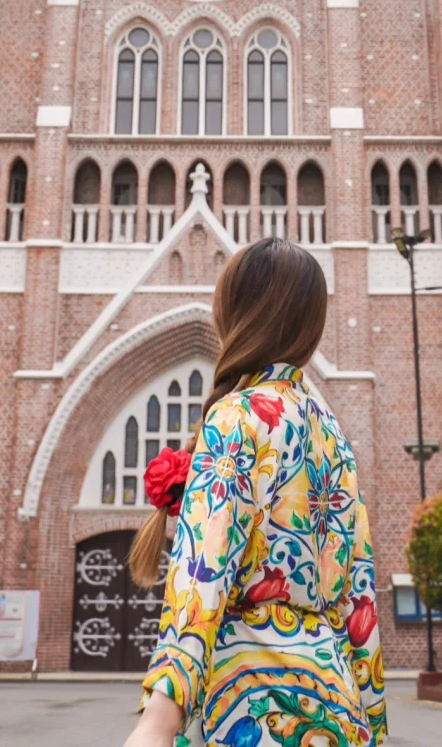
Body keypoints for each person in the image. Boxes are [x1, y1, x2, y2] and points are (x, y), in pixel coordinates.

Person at [123, 238, 387, 747]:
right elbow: (361, 600)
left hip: (255, 706)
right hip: (338, 704)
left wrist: (157, 721)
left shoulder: (237, 417)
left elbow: (201, 579)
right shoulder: (334, 436)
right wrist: (372, 722)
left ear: (237, 314)